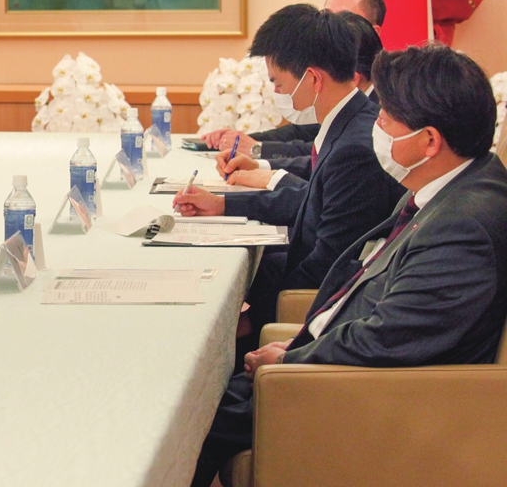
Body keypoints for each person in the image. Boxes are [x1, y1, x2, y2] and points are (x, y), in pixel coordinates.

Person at [190, 43, 507, 487]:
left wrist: (292, 358)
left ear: (430, 140)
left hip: (367, 402)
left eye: (385, 119)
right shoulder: (452, 185)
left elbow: (389, 338)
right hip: (330, 367)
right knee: (194, 397)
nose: (374, 126)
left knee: (187, 426)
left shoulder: (465, 228)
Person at [174, 5, 404, 349]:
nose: (276, 92)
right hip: (303, 267)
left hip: (312, 305)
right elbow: (314, 199)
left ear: (312, 79)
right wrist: (222, 203)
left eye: (278, 82)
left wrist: (251, 315)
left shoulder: (355, 146)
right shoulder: (347, 122)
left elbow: (329, 263)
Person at [203, 0, 386, 155]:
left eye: (341, 19)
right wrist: (240, 140)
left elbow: (321, 153)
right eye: (328, 15)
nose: (330, 25)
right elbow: (304, 132)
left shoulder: (382, 107)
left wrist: (257, 150)